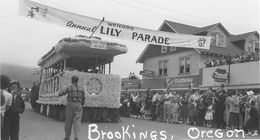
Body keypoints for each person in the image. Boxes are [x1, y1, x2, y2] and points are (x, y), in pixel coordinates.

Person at [58, 76, 85, 140]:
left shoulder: (69, 88)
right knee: (77, 121)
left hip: (70, 104)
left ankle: (67, 137)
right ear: (77, 81)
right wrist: (81, 104)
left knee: (68, 121)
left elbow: (60, 93)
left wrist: (59, 92)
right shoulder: (82, 89)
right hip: (79, 105)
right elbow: (83, 98)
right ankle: (76, 136)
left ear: (71, 80)